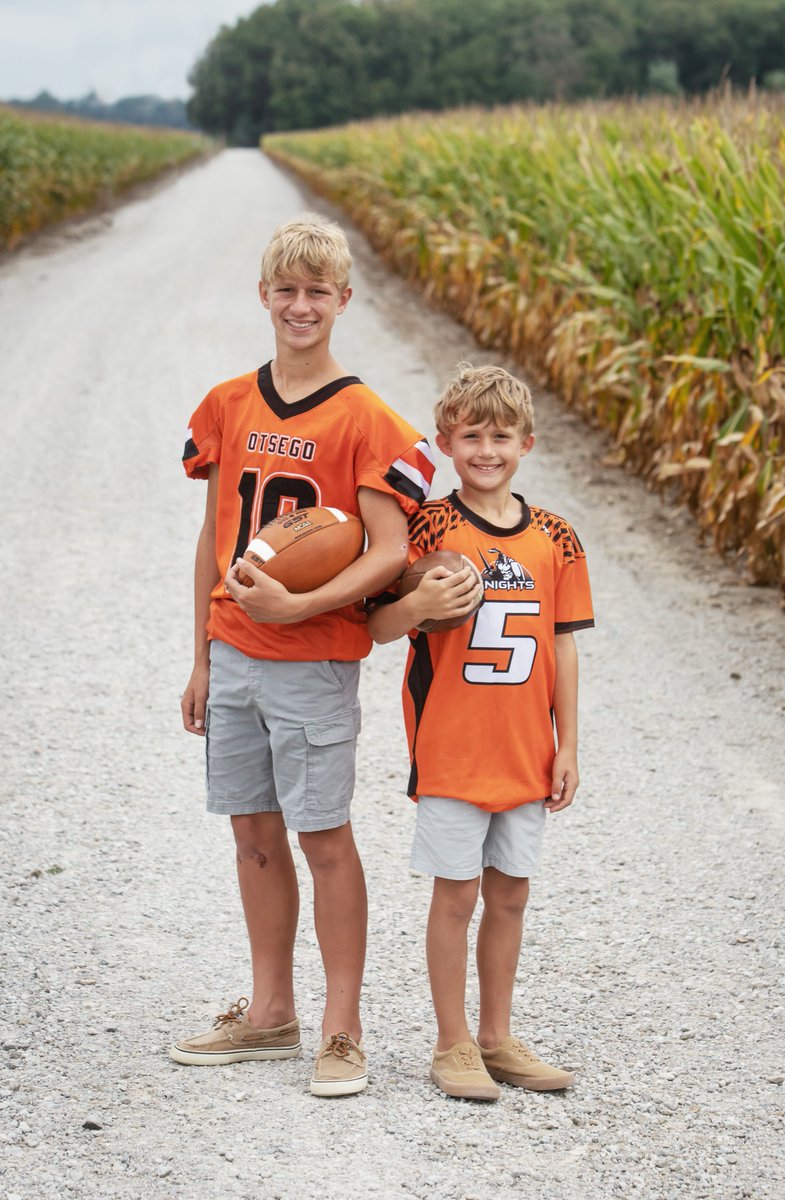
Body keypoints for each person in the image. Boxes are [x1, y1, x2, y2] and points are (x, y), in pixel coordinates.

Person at [170, 213, 435, 1097]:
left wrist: (301, 603)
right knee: (250, 831)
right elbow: (213, 533)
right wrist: (203, 654)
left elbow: (389, 549)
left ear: (344, 301)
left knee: (323, 835)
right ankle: (270, 1013)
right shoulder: (227, 403)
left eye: (317, 291)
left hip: (315, 657)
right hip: (235, 653)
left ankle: (343, 1029)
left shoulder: (365, 416)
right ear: (264, 296)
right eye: (286, 289)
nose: (300, 305)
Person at [367, 363, 593, 1101]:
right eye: (471, 436)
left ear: (527, 443)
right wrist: (420, 599)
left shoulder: (557, 537)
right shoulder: (430, 525)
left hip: (525, 752)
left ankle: (497, 1036)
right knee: (456, 895)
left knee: (512, 894)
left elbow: (562, 645)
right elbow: (380, 625)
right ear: (446, 443)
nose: (486, 450)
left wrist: (570, 744)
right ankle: (452, 1040)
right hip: (454, 748)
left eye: (501, 436)